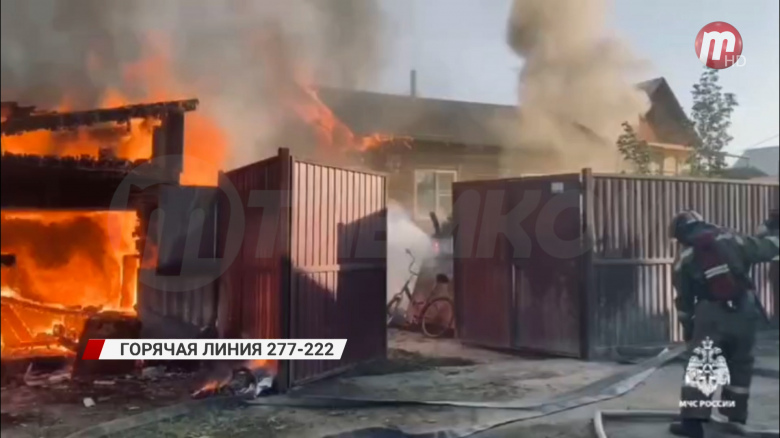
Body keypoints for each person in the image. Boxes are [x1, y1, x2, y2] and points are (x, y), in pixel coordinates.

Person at [668, 210, 779, 438]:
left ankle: (693, 423)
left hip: (711, 313)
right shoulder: (731, 237)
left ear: (680, 235)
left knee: (703, 365)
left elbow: (684, 303)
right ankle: (736, 418)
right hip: (745, 310)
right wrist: (773, 230)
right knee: (740, 363)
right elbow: (766, 249)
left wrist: (689, 330)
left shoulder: (684, 257)